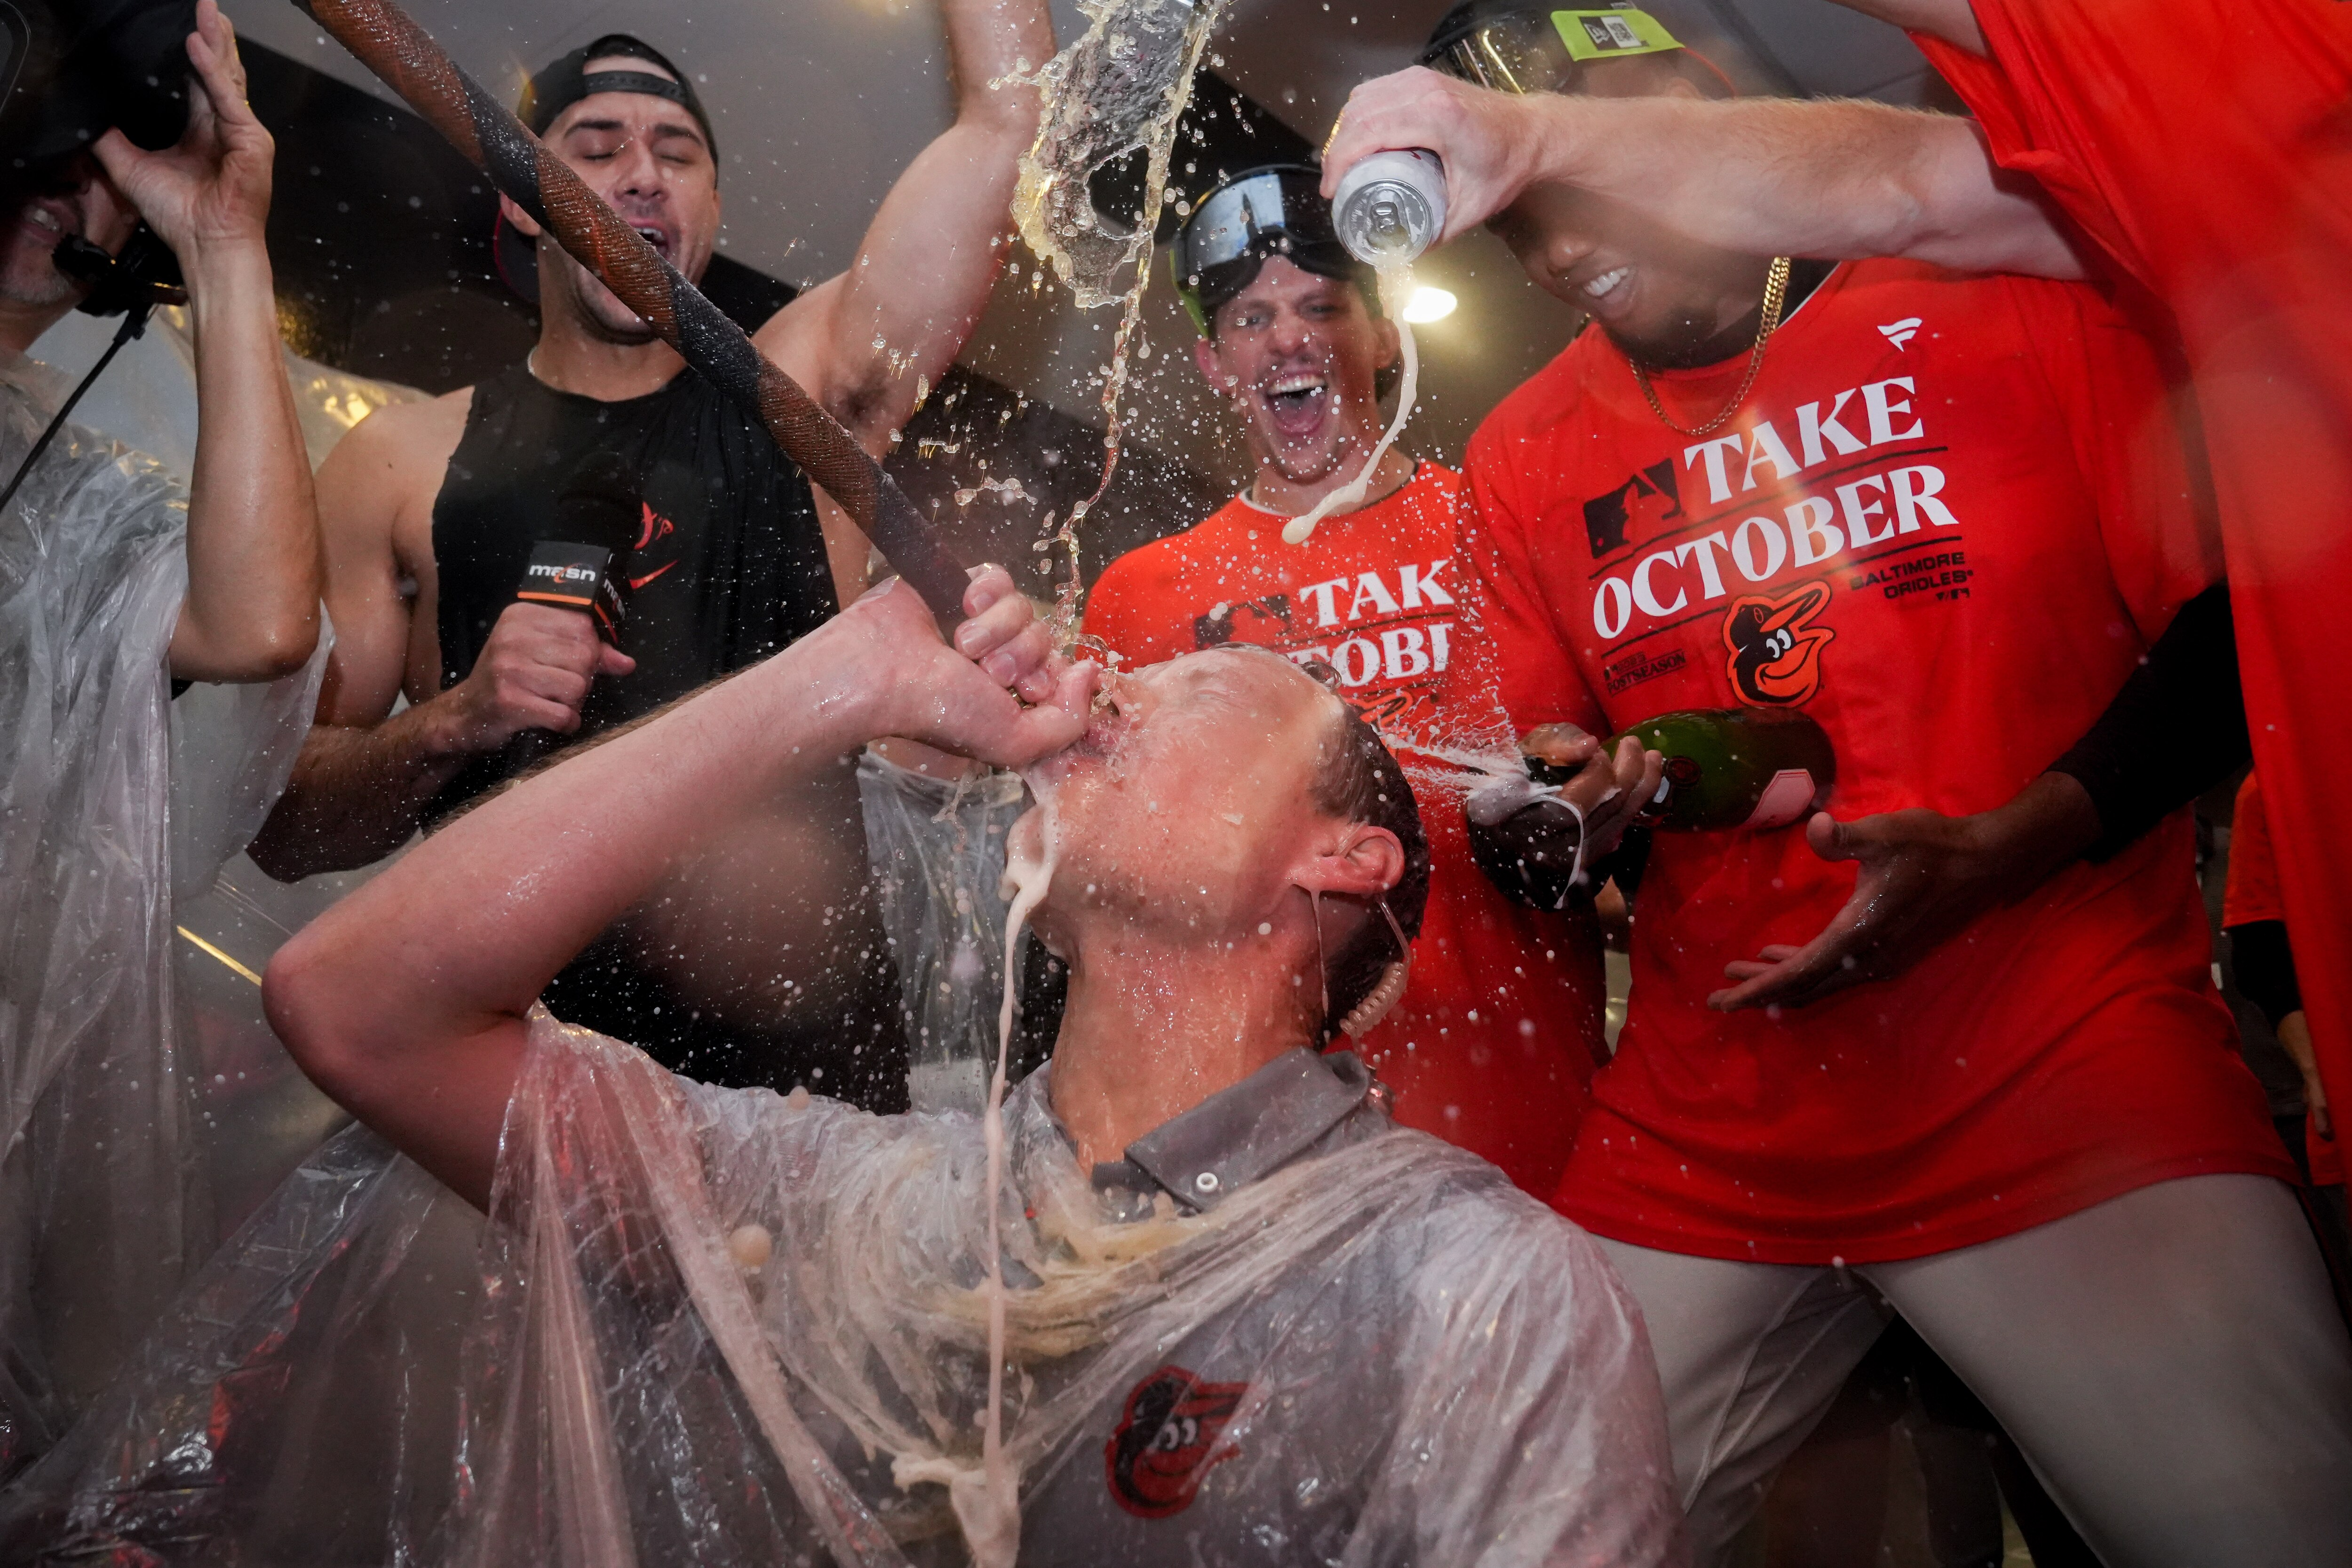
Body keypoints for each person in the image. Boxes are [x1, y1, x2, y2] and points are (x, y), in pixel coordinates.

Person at [1389, 9, 2352, 1563]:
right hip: (1712, 1125)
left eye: (1588, 176)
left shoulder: (2022, 297)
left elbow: (2241, 634)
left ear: (1696, 102)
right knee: (1479, 1533)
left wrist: (2009, 841)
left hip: (2059, 1061)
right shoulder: (1522, 449)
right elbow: (1531, 803)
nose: (1564, 258)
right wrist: (1570, 806)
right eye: (1518, 226)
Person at [259, 564, 1685, 1566]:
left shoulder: (1474, 1289)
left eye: (1196, 685)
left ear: (1341, 856)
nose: (1106, 683)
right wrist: (840, 678)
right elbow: (362, 1004)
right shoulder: (851, 1208)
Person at [249, 10, 1051, 1103]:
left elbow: (1006, 118)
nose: (640, 176)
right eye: (595, 148)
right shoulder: (396, 464)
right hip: (514, 1104)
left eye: (677, 155)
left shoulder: (796, 403)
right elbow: (287, 826)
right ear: (524, 203)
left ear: (711, 214)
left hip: (804, 1106)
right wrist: (457, 718)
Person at [1080, 164, 1606, 1195]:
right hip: (1276, 1149)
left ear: (1377, 335)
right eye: (1250, 316)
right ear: (1211, 361)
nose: (1287, 338)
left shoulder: (1496, 521)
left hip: (1534, 1108)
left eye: (1321, 305)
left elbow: (1596, 780)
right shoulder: (1141, 597)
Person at [0, 0, 323, 1465]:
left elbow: (259, 622)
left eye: (99, 158)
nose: (73, 179)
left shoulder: (58, 489)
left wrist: (222, 244)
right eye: (46, 142)